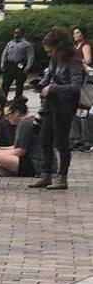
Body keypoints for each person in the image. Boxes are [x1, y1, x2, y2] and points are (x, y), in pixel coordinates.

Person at [28, 27, 85, 190]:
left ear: (58, 45)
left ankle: (62, 177)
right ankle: (46, 174)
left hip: (65, 106)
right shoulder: (54, 59)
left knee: (61, 141)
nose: (48, 51)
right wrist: (40, 85)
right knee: (45, 139)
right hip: (51, 104)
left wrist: (54, 88)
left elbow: (75, 86)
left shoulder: (73, 60)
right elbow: (48, 76)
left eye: (50, 47)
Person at [0, 99, 43, 177]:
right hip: (41, 161)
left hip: (36, 163)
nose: (6, 119)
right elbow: (17, 147)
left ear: (17, 113)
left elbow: (20, 151)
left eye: (7, 115)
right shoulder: (30, 120)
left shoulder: (24, 124)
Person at [0, 28, 34, 102]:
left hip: (19, 65)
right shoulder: (10, 43)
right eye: (15, 33)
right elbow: (4, 54)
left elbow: (30, 56)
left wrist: (28, 67)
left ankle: (17, 99)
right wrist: (2, 64)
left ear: (22, 34)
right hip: (9, 65)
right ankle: (3, 99)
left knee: (19, 84)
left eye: (18, 33)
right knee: (5, 83)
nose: (16, 35)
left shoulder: (26, 44)